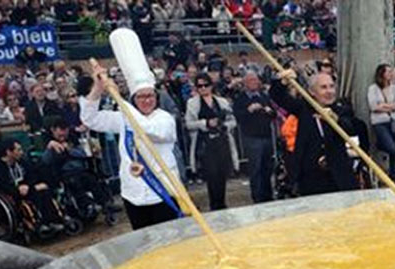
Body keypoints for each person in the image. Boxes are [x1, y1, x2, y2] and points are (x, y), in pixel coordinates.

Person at [80, 62, 181, 230]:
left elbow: (145, 129)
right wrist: (98, 87)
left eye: (151, 96)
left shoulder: (164, 118)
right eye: (141, 97)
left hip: (162, 191)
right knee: (143, 241)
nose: (147, 100)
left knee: (168, 242)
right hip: (133, 194)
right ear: (134, 99)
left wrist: (119, 99)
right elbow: (90, 119)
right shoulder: (123, 117)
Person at [269, 68, 357, 196]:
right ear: (312, 92)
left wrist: (335, 119)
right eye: (324, 87)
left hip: (337, 175)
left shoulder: (341, 109)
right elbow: (278, 96)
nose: (329, 91)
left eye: (331, 87)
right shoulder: (303, 108)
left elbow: (351, 128)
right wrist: (282, 82)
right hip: (310, 175)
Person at [185, 73, 236, 211]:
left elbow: (232, 121)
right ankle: (215, 205)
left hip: (222, 142)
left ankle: (222, 203)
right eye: (199, 86)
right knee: (212, 175)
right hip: (205, 144)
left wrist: (224, 126)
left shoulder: (222, 102)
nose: (203, 88)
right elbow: (189, 124)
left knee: (222, 174)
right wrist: (206, 123)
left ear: (211, 86)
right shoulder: (192, 103)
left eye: (205, 85)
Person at [0, 138, 62, 234]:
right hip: (12, 194)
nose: (21, 152)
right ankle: (38, 223)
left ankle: (53, 219)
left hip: (27, 189)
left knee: (44, 191)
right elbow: (3, 186)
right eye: (18, 150)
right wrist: (19, 189)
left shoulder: (22, 162)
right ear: (9, 152)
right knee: (36, 194)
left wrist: (29, 186)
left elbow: (32, 175)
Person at [231, 70, 276, 203]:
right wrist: (248, 110)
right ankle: (257, 197)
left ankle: (268, 195)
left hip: (266, 135)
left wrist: (269, 111)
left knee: (267, 168)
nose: (254, 83)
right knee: (255, 169)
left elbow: (274, 114)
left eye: (255, 80)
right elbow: (237, 116)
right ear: (245, 83)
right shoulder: (241, 99)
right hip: (251, 137)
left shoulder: (264, 96)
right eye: (250, 80)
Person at [367, 63, 395, 185]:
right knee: (392, 149)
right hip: (380, 122)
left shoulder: (394, 89)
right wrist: (390, 107)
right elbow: (373, 106)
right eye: (388, 72)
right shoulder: (373, 89)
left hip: (393, 121)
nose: (391, 74)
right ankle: (380, 145)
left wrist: (384, 106)